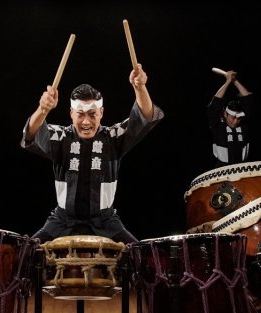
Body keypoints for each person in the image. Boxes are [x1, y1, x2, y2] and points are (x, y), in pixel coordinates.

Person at [22, 64, 163, 243]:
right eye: (80, 114)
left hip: (106, 222)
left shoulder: (112, 137)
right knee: (26, 256)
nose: (86, 121)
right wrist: (43, 110)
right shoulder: (62, 137)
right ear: (71, 113)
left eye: (92, 114)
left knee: (139, 260)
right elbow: (31, 134)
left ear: (101, 113)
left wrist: (140, 87)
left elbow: (145, 116)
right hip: (62, 221)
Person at [207, 70, 255, 167]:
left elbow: (248, 100)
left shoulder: (243, 123)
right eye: (233, 118)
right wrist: (227, 82)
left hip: (242, 166)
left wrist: (235, 81)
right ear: (225, 114)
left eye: (239, 118)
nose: (236, 121)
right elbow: (214, 105)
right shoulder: (218, 126)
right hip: (222, 168)